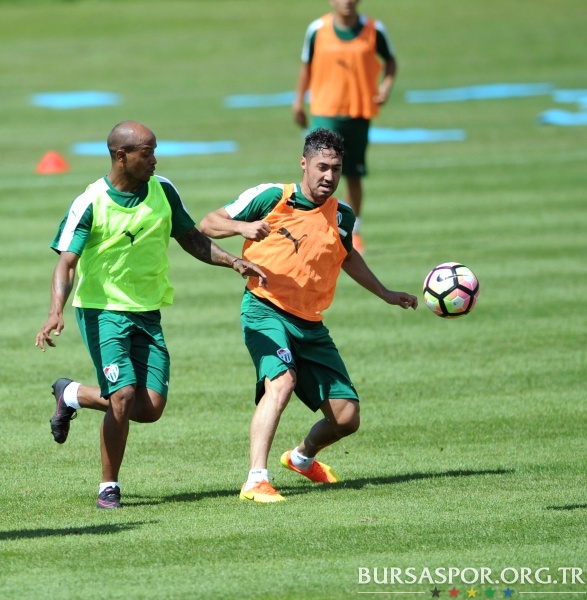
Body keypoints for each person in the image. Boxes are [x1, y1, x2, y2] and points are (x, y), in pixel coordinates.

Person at [35, 120, 267, 509]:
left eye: (155, 151)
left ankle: (72, 393)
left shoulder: (164, 190)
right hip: (103, 311)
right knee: (123, 395)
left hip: (147, 312)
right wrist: (55, 310)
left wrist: (232, 261)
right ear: (120, 156)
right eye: (147, 153)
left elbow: (191, 238)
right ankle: (109, 487)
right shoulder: (90, 201)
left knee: (150, 408)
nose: (155, 160)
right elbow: (67, 262)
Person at [199, 128, 417, 503]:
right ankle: (255, 480)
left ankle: (301, 457)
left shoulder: (342, 215)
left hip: (310, 323)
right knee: (282, 382)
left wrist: (385, 292)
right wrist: (242, 227)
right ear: (304, 164)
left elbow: (347, 255)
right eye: (322, 167)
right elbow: (208, 222)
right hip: (265, 308)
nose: (329, 176)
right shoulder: (271, 197)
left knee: (346, 417)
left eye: (336, 169)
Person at [292, 0, 397, 255]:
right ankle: (310, 227)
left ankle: (353, 232)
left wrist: (385, 87)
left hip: (358, 113)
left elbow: (391, 62)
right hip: (325, 113)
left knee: (354, 174)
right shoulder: (317, 29)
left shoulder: (374, 29)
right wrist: (298, 102)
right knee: (317, 172)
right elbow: (306, 67)